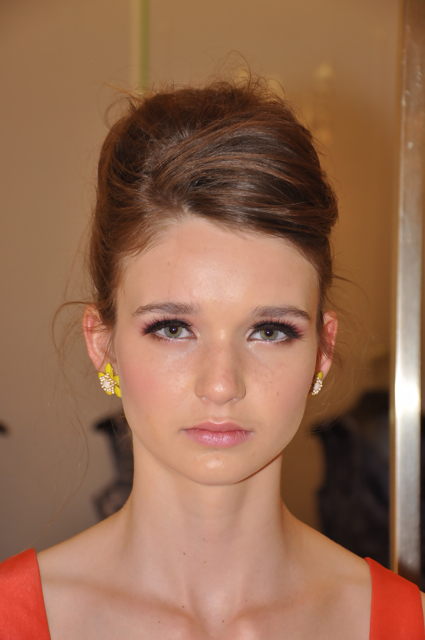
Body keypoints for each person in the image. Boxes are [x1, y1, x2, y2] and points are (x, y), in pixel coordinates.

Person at [0, 77, 424, 639]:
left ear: (322, 350)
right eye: (173, 328)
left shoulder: (409, 623)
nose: (221, 385)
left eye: (269, 331)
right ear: (103, 344)